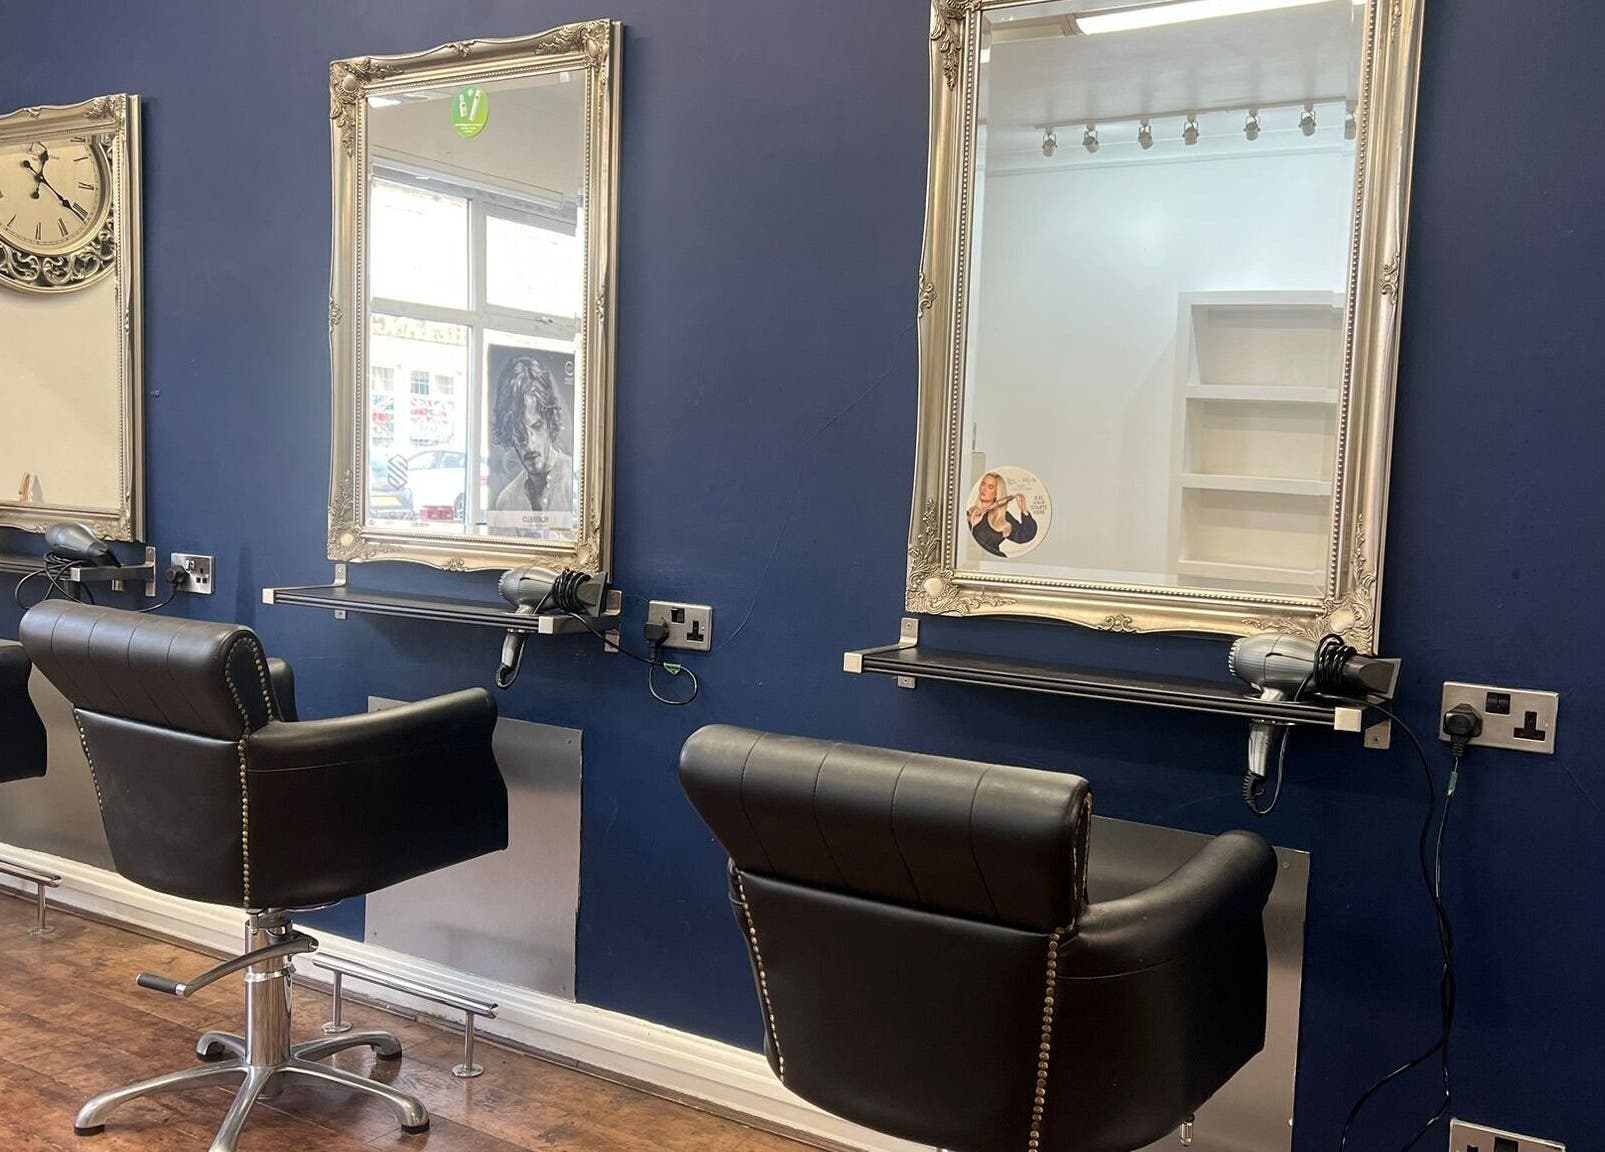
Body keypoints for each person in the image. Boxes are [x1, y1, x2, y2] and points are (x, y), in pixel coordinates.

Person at [491, 355, 575, 516]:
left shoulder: (577, 485)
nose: (529, 444)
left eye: (536, 426)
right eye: (519, 431)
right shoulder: (507, 501)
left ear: (550, 422)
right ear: (509, 434)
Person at [967, 471, 1038, 558]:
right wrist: (973, 526)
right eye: (983, 484)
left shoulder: (1003, 518)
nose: (984, 489)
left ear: (997, 492)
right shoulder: (970, 514)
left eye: (990, 487)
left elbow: (1025, 535)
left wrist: (1023, 509)